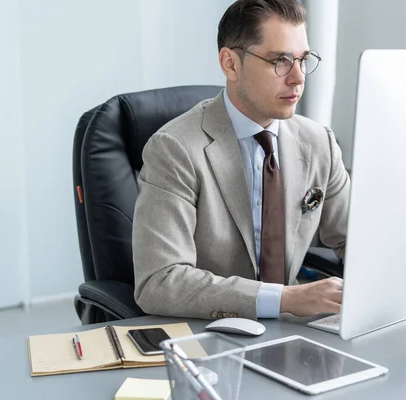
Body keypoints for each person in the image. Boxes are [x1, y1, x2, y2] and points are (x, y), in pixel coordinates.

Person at [133, 0, 350, 320]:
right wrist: (284, 299)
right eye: (281, 60)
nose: (297, 78)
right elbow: (159, 282)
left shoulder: (319, 143)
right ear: (230, 64)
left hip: (293, 332)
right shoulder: (175, 149)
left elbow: (355, 240)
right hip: (212, 334)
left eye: (304, 60)